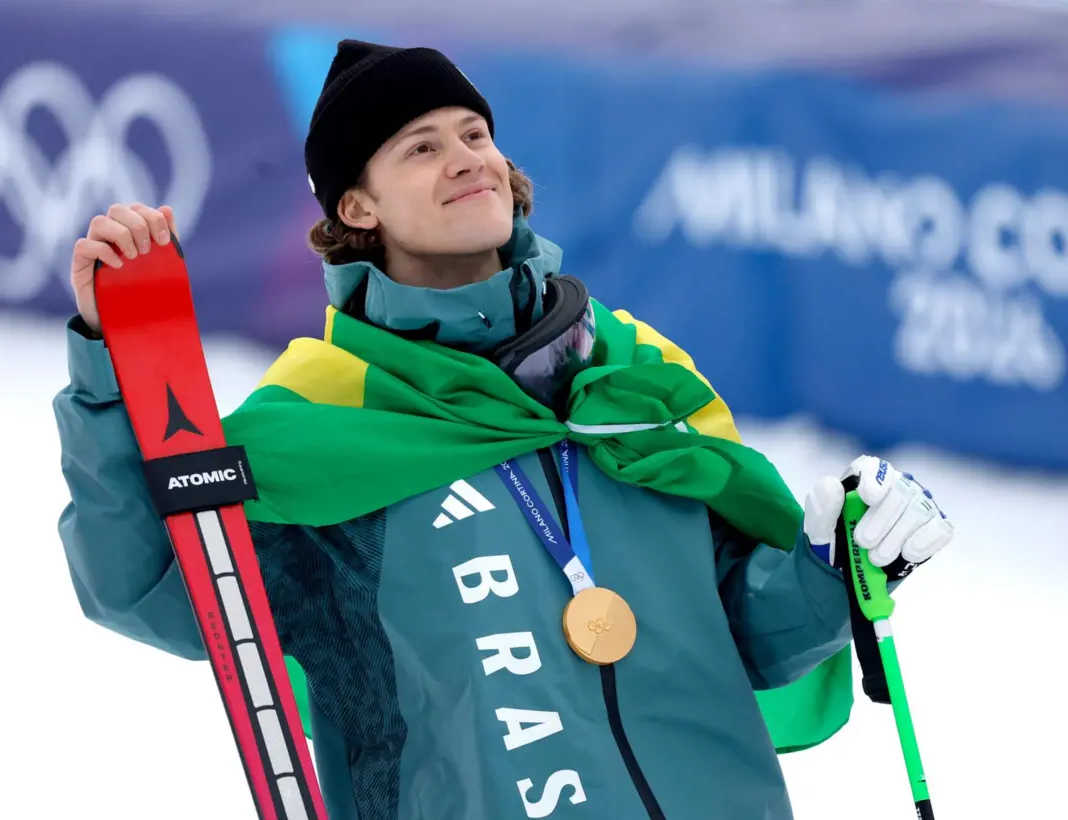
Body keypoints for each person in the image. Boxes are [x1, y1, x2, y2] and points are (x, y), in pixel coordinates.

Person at [53, 40, 955, 820]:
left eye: (476, 135)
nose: (466, 159)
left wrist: (829, 565)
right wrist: (108, 362)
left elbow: (740, 641)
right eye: (421, 146)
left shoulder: (636, 380)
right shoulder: (324, 420)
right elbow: (148, 587)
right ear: (356, 210)